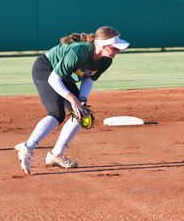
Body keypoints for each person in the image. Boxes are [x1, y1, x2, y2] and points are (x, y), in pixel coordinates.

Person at [14, 26, 130, 175]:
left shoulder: (106, 60)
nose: (118, 51)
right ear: (103, 45)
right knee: (57, 114)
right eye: (115, 47)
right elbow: (54, 78)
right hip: (47, 70)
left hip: (65, 76)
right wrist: (72, 99)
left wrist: (81, 100)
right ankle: (27, 147)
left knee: (82, 114)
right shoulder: (79, 51)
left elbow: (89, 78)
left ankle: (56, 155)